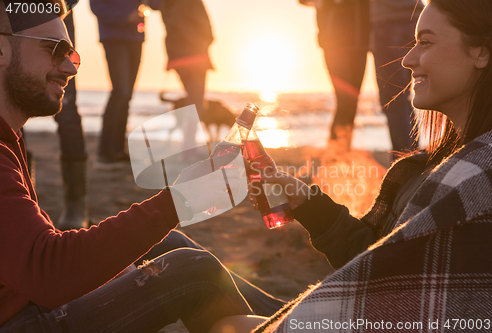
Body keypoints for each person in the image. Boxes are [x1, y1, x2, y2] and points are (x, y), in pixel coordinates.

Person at [211, 0, 492, 331]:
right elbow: (378, 264)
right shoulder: (439, 165)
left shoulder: (475, 177)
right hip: (361, 309)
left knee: (193, 284)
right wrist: (306, 201)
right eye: (413, 42)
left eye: (426, 42)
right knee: (193, 268)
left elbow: (394, 297)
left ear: (482, 52)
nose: (407, 60)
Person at [0, 3, 283, 331]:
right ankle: (297, 320)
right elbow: (48, 272)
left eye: (73, 55)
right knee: (191, 270)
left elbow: (25, 251)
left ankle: (297, 314)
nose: (70, 67)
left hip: (28, 302)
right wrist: (181, 200)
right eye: (55, 50)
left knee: (171, 244)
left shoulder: (11, 136)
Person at [300, 0, 370, 149]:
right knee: (345, 101)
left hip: (360, 42)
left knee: (351, 101)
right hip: (334, 43)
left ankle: (340, 152)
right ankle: (337, 153)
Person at [151, 0, 214, 156]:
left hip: (178, 53)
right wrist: (205, 41)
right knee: (196, 100)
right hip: (194, 55)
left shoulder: (166, 4)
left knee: (194, 100)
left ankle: (188, 145)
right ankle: (188, 147)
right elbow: (200, 23)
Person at [90, 0, 144, 170]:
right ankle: (105, 152)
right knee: (121, 91)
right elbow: (96, 6)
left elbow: (156, 4)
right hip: (113, 37)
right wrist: (125, 17)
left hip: (136, 36)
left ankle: (118, 151)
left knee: (127, 95)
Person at [371, 0, 425, 156]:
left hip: (388, 19)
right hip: (418, 16)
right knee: (404, 97)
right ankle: (412, 158)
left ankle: (404, 162)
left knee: (393, 99)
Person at [54, 11, 88, 230]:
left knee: (65, 104)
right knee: (12, 100)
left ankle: (76, 204)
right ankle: (21, 195)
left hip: (60, 8)